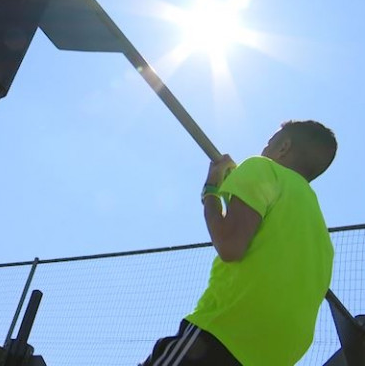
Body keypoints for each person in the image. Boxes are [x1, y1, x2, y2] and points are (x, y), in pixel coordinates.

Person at [141, 120, 338, 366]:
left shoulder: (263, 168)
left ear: (284, 147)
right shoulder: (320, 233)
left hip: (221, 336)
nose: (263, 150)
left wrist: (211, 191)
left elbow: (230, 246)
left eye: (268, 144)